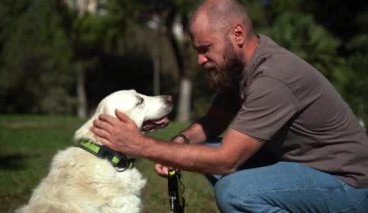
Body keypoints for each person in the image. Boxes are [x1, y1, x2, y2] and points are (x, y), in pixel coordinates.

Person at [91, 0, 368, 212]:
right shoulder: (240, 69)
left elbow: (228, 160)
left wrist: (140, 145)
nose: (200, 60)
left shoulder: (272, 77)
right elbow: (214, 120)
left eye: (205, 49)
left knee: (235, 191)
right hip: (302, 166)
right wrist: (181, 142)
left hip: (348, 185)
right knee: (205, 152)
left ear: (237, 34)